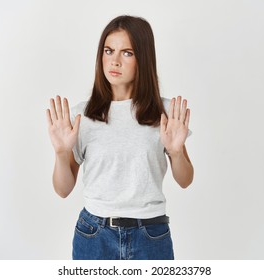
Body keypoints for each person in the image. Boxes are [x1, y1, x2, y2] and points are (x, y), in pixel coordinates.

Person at [46, 15, 193, 260]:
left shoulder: (165, 114)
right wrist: (61, 153)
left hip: (151, 235)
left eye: (127, 53)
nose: (114, 61)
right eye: (108, 50)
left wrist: (176, 153)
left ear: (143, 59)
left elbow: (185, 179)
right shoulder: (82, 115)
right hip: (94, 235)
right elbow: (62, 190)